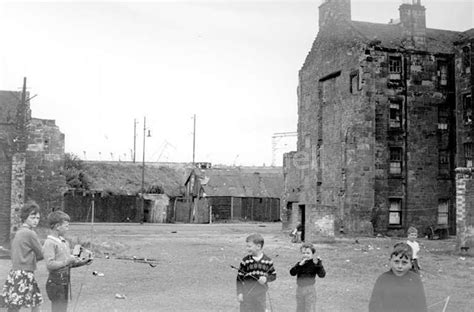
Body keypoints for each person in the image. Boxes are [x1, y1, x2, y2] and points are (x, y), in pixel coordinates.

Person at [42, 211, 92, 312]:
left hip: (64, 282)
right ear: (57, 226)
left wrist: (84, 261)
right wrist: (67, 261)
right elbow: (50, 264)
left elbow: (69, 263)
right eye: (66, 226)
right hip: (55, 283)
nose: (68, 228)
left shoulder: (64, 242)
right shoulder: (50, 243)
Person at [1, 201, 44, 312]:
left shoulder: (18, 232)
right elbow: (41, 254)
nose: (35, 221)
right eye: (32, 217)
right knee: (17, 305)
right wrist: (33, 258)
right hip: (24, 273)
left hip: (16, 272)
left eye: (37, 218)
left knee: (33, 302)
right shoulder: (30, 233)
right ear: (25, 217)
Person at [369, 242, 427, 312]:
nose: (400, 266)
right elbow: (374, 305)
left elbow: (421, 305)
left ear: (411, 263)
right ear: (390, 261)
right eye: (396, 261)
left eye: (404, 262)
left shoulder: (415, 279)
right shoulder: (383, 279)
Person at [236, 233, 276, 312]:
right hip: (246, 294)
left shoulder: (268, 261)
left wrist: (266, 279)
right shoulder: (245, 261)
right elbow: (239, 278)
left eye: (249, 246)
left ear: (258, 246)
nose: (247, 248)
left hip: (261, 295)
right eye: (246, 246)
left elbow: (273, 275)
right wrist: (239, 293)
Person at [290, 242, 326, 312]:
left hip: (310, 290)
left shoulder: (315, 265)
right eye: (303, 253)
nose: (305, 255)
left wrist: (320, 265)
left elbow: (322, 275)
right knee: (300, 308)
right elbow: (292, 273)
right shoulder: (299, 264)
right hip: (299, 289)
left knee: (309, 309)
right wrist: (299, 265)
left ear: (312, 254)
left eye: (308, 253)